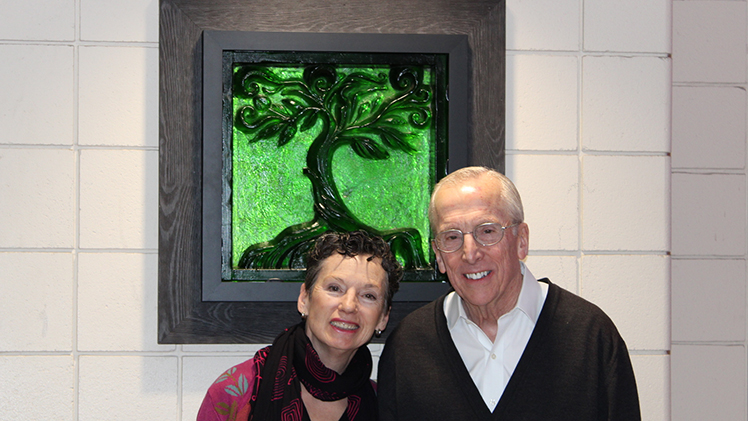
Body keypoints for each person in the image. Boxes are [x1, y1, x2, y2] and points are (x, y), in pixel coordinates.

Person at [377, 166, 641, 420]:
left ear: (522, 241)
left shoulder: (591, 337)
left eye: (487, 231)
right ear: (439, 255)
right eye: (452, 237)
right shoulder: (408, 347)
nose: (470, 253)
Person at [198, 230, 402, 421]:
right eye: (334, 288)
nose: (349, 306)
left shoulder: (384, 405)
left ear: (383, 317)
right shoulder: (235, 392)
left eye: (368, 295)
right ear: (304, 298)